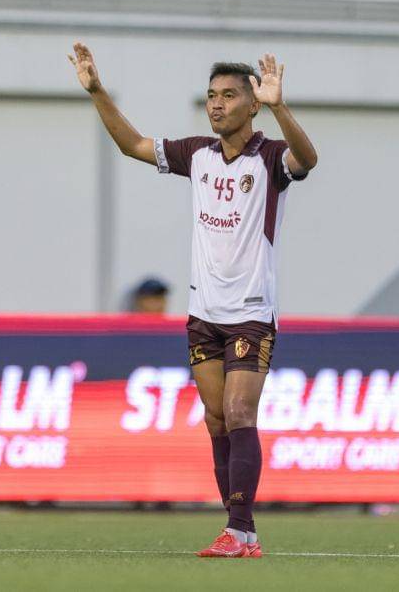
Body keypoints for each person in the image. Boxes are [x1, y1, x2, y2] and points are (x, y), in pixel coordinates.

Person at [68, 42, 318, 558]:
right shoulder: (197, 154)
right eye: (211, 96)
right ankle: (242, 533)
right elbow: (132, 144)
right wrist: (96, 91)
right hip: (204, 315)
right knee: (216, 419)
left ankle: (240, 529)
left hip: (250, 313)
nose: (217, 104)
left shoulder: (270, 158)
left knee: (240, 411)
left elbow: (308, 159)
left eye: (229, 95)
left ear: (252, 104)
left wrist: (281, 106)